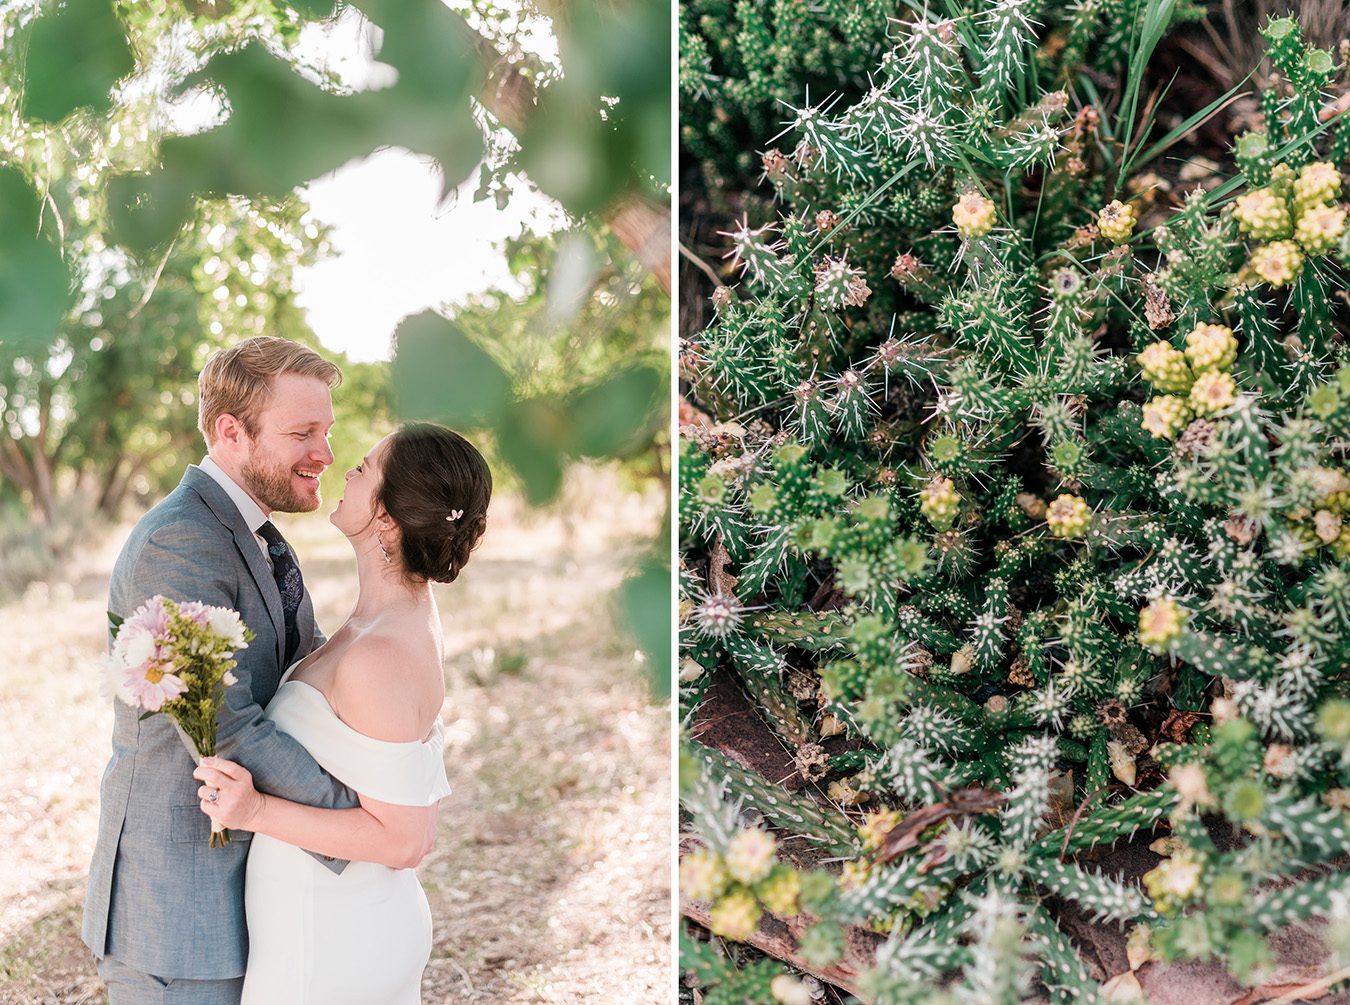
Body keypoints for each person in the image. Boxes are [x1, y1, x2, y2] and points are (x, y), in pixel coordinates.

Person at [83, 336, 365, 1004]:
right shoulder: (178, 541)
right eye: (303, 433)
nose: (325, 454)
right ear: (229, 430)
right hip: (178, 910)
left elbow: (309, 671)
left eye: (326, 431)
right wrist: (357, 819)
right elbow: (224, 724)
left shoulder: (257, 533)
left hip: (243, 882)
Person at [194, 421, 492, 1004]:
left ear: (386, 516)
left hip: (333, 941)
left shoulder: (382, 654)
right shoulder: (378, 622)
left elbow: (407, 839)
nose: (344, 470)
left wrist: (254, 809)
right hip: (320, 927)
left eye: (365, 467)